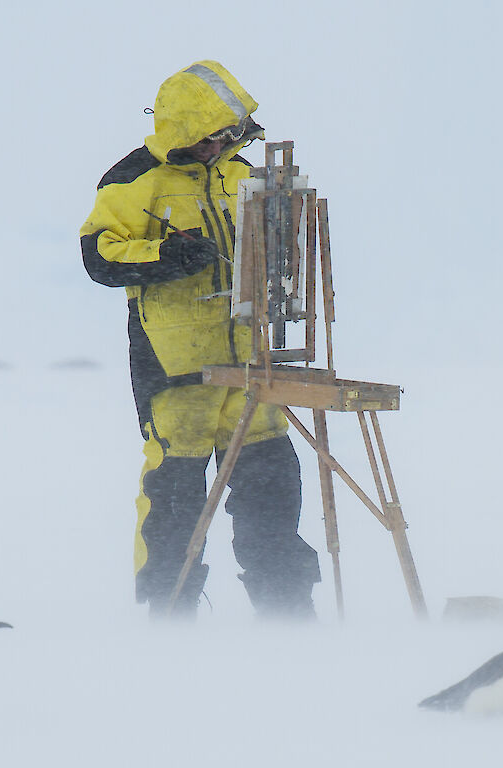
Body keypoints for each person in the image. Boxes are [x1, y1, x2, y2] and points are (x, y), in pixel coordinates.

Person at [77, 61, 321, 621]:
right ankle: (170, 613)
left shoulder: (243, 178)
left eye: (232, 136)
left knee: (272, 491)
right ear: (187, 130)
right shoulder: (133, 181)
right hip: (177, 372)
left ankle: (289, 614)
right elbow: (99, 255)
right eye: (215, 135)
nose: (224, 146)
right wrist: (166, 257)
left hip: (249, 366)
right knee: (176, 503)